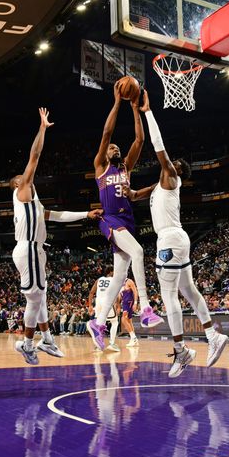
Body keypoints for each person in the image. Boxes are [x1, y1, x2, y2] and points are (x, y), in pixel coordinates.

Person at [125, 90, 228, 377]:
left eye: (171, 163)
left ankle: (182, 351)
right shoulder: (158, 187)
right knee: (188, 291)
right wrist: (129, 192)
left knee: (170, 294)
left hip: (170, 239)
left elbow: (159, 147)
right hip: (176, 238)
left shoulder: (171, 176)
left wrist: (147, 112)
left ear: (175, 169)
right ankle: (213, 336)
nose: (165, 164)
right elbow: (135, 195)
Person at [10, 108, 102, 365]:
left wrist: (86, 214)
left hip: (32, 250)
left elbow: (59, 216)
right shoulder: (23, 191)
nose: (26, 177)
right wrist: (42, 128)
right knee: (35, 296)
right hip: (28, 248)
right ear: (19, 184)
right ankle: (28, 344)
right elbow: (35, 155)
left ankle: (47, 338)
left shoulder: (35, 206)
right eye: (22, 177)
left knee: (41, 294)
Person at [90, 81, 163, 335]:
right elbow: (106, 134)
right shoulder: (101, 166)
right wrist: (117, 102)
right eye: (112, 148)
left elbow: (140, 140)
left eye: (117, 148)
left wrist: (135, 108)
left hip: (127, 220)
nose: (115, 148)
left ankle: (97, 323)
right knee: (140, 252)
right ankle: (145, 308)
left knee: (120, 277)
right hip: (110, 219)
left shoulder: (125, 168)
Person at [88, 268, 121, 352]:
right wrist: (118, 305)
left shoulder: (99, 279)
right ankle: (112, 343)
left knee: (100, 323)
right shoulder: (114, 280)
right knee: (115, 322)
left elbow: (91, 292)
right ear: (110, 272)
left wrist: (90, 305)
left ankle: (98, 346)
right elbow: (117, 294)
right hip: (107, 302)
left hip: (98, 302)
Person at [120, 277, 140, 347]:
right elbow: (120, 295)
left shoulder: (129, 281)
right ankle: (134, 339)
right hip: (124, 303)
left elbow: (135, 292)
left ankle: (133, 337)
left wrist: (135, 303)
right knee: (129, 321)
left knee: (123, 319)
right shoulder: (119, 282)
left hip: (129, 302)